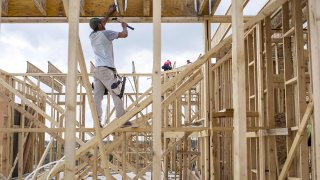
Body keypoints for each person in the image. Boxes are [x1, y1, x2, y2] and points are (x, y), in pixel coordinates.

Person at [89, 4, 131, 127]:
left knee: (97, 98)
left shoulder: (92, 36)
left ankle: (97, 122)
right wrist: (124, 27)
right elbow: (124, 35)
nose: (104, 24)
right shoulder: (106, 33)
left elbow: (101, 23)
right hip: (107, 70)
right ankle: (121, 119)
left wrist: (109, 12)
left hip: (97, 71)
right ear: (99, 26)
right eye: (102, 24)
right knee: (116, 93)